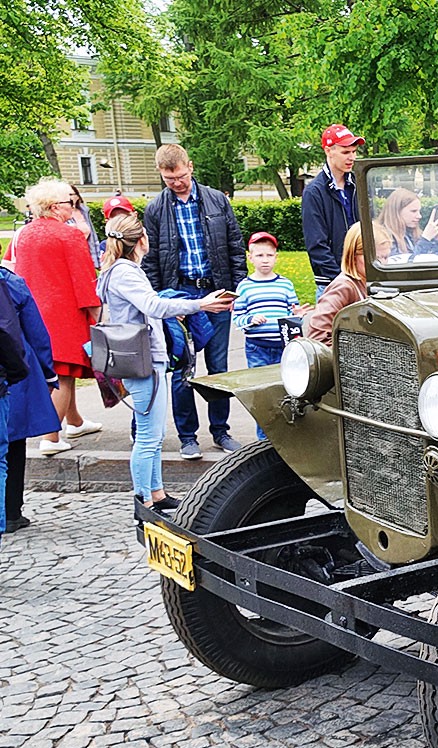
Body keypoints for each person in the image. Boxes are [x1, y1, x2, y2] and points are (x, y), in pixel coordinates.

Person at [99, 214, 233, 512]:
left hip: (143, 357)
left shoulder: (119, 270)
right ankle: (143, 501)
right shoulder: (126, 272)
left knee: (154, 433)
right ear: (141, 240)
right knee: (148, 435)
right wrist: (200, 304)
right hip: (144, 359)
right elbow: (153, 306)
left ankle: (156, 493)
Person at [142, 143, 247, 460]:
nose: (176, 182)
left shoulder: (216, 200)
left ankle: (221, 431)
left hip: (216, 291)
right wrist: (161, 300)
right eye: (169, 178)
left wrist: (236, 288)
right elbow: (152, 259)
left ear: (190, 166)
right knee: (182, 369)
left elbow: (234, 246)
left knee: (218, 367)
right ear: (161, 173)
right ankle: (188, 436)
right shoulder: (156, 209)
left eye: (180, 175)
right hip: (178, 295)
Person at [11, 178, 102, 455]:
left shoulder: (25, 234)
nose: (73, 207)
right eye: (69, 203)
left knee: (62, 371)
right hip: (65, 316)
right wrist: (96, 314)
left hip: (32, 315)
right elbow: (85, 281)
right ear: (54, 207)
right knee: (65, 373)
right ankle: (51, 437)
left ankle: (74, 421)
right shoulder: (70, 235)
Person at [233, 231, 308, 438]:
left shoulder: (285, 284)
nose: (264, 260)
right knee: (262, 394)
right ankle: (264, 437)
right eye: (259, 255)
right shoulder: (245, 287)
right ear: (250, 257)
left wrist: (298, 316)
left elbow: (292, 316)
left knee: (288, 389)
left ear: (276, 256)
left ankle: (289, 434)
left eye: (269, 255)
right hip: (257, 348)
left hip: (283, 348)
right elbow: (237, 318)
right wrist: (250, 320)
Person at [1, 267, 59, 533]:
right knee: (13, 444)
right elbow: (36, 333)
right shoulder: (12, 283)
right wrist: (48, 374)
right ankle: (11, 511)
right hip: (14, 369)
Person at [308, 224, 390, 347]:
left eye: (385, 257)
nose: (382, 263)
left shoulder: (375, 284)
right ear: (353, 255)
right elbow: (317, 336)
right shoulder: (344, 287)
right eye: (375, 258)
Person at [303, 124, 365, 284]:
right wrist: (342, 279)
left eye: (354, 152)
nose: (352, 157)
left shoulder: (358, 185)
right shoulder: (314, 192)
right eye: (345, 152)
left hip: (361, 279)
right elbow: (317, 246)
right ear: (328, 151)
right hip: (331, 283)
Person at [0, 275, 30, 545]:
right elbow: (7, 331)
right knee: (5, 452)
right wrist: (18, 370)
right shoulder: (8, 282)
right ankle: (8, 515)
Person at [378, 188, 438, 260]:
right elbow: (407, 266)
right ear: (397, 212)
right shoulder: (383, 237)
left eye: (419, 211)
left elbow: (431, 261)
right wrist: (425, 239)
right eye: (413, 211)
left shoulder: (412, 233)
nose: (419, 216)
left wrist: (436, 240)